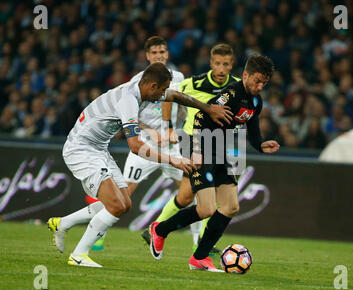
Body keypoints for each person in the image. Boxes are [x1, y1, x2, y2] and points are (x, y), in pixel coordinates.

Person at [47, 62, 233, 268]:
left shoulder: (143, 90)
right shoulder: (128, 100)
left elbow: (175, 96)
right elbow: (136, 146)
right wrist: (174, 160)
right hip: (81, 150)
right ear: (152, 86)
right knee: (116, 205)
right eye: (161, 89)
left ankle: (62, 224)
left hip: (98, 149)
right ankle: (79, 254)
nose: (163, 95)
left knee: (124, 203)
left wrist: (207, 108)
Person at [149, 55, 280, 271]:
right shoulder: (230, 95)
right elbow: (201, 116)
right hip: (202, 147)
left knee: (230, 206)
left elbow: (252, 126)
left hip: (221, 151)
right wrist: (198, 151)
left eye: (264, 83)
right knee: (207, 208)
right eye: (256, 80)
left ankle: (199, 258)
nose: (259, 86)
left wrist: (261, 145)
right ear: (245, 75)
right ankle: (160, 230)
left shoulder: (256, 101)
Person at [141, 43, 240, 254]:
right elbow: (169, 95)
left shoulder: (238, 85)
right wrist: (167, 126)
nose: (221, 69)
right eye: (217, 63)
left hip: (222, 144)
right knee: (209, 196)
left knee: (186, 196)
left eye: (226, 64)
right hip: (193, 142)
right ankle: (202, 243)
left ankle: (156, 228)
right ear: (211, 63)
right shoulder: (193, 83)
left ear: (232, 65)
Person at [91, 36, 185, 251]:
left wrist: (178, 124)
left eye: (162, 51)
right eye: (155, 52)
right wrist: (151, 129)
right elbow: (129, 114)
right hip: (145, 145)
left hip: (172, 146)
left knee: (191, 192)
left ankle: (199, 245)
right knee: (123, 195)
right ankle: (97, 233)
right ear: (147, 56)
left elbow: (179, 104)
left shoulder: (178, 77)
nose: (159, 55)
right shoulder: (137, 81)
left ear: (167, 54)